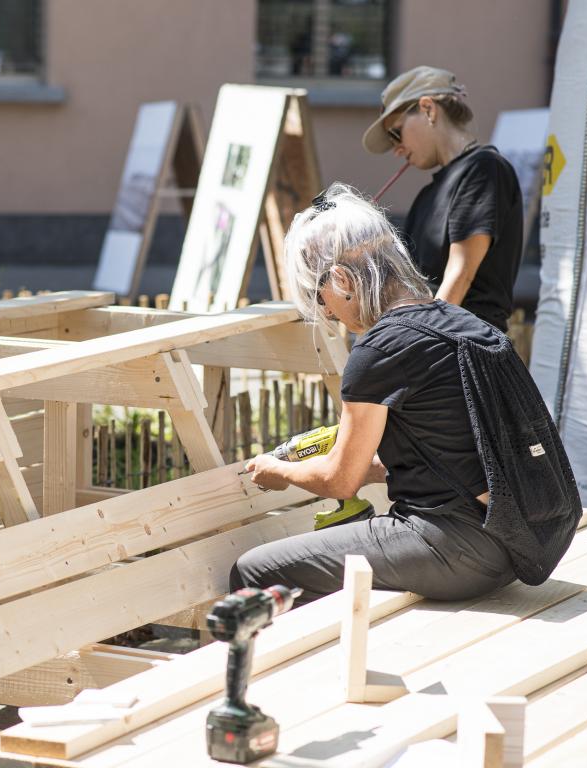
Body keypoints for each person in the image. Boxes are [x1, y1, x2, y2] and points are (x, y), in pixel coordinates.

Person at [232, 184, 542, 603]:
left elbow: (339, 481)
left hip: (456, 549)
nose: (325, 310)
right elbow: (446, 457)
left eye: (318, 295)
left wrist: (279, 471)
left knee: (254, 570)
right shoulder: (460, 323)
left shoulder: (379, 349)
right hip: (513, 544)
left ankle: (315, 666)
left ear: (341, 279)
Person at [363, 66, 523, 332]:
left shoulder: (483, 169)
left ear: (428, 109)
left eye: (395, 133)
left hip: (466, 347)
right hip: (433, 345)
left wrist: (419, 343)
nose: (397, 150)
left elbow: (460, 275)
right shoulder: (428, 195)